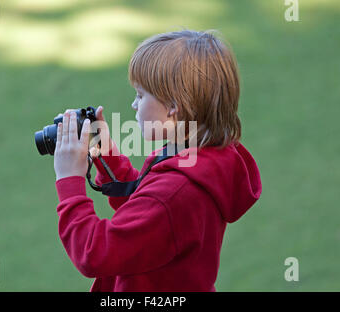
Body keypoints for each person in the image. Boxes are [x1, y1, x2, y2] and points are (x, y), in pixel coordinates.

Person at [53, 29, 262, 291]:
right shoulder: (199, 157)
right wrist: (102, 151)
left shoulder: (175, 191)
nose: (134, 105)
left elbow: (94, 253)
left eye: (141, 95)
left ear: (174, 105)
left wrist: (69, 180)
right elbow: (143, 205)